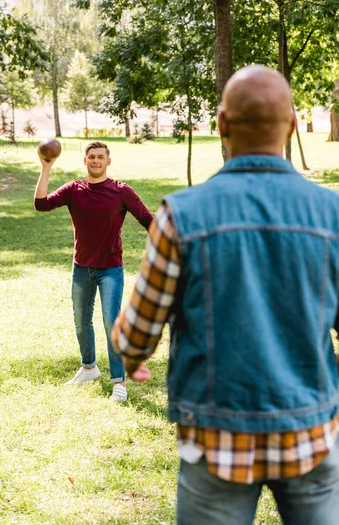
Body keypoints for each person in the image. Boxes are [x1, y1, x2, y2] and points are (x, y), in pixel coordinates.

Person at [113, 65, 339, 523]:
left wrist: (132, 358)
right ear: (293, 124)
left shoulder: (181, 215)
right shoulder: (331, 213)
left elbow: (137, 331)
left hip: (215, 436)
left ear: (220, 123)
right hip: (310, 430)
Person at [34, 141, 152, 402]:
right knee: (81, 321)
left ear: (108, 161)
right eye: (91, 157)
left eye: (100, 157)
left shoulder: (122, 191)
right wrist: (46, 168)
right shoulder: (74, 190)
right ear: (84, 161)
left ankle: (119, 382)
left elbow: (147, 220)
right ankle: (89, 367)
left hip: (110, 268)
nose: (96, 161)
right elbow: (41, 205)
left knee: (111, 322)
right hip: (81, 268)